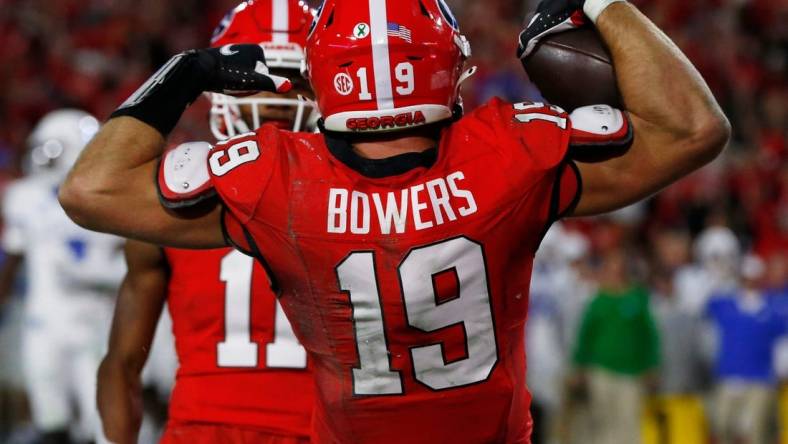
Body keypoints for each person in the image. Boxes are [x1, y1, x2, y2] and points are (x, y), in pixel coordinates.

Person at [59, 0, 730, 441]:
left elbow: (91, 190)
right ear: (448, 68)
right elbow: (693, 129)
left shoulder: (274, 178)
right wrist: (603, 1)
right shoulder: (510, 154)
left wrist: (187, 71)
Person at [96, 1, 317, 443]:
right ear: (221, 85)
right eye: (260, 78)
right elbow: (122, 362)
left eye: (293, 80)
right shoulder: (173, 188)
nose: (275, 96)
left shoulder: (359, 186)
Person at [0, 109, 126, 444]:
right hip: (44, 320)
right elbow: (14, 255)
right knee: (49, 413)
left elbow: (132, 260)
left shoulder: (105, 199)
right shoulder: (24, 198)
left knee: (97, 420)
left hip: (94, 321)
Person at [571, 248, 660, 444]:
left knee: (629, 421)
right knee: (602, 422)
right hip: (601, 370)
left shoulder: (637, 298)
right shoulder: (598, 301)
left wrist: (651, 365)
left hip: (631, 372)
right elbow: (586, 335)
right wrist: (579, 366)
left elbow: (648, 335)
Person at [706, 255, 787, 444]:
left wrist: (780, 371)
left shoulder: (772, 308)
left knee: (753, 430)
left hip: (759, 379)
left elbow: (782, 343)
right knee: (722, 425)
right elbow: (703, 312)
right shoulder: (725, 305)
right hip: (729, 376)